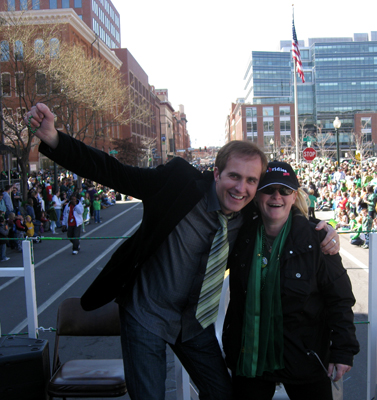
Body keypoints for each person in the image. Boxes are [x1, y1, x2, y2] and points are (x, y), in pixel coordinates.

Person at [24, 103, 340, 400]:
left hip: (193, 323)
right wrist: (55, 139)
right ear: (217, 174)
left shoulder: (248, 213)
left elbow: (282, 210)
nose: (240, 188)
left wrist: (322, 229)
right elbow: (114, 172)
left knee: (221, 394)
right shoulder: (177, 182)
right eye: (233, 176)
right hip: (145, 313)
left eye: (250, 181)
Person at [222, 161, 359, 400]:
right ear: (257, 196)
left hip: (304, 354)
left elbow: (339, 299)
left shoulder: (317, 239)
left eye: (285, 190)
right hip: (251, 357)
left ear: (294, 196)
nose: (277, 196)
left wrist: (342, 351)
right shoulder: (240, 234)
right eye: (269, 189)